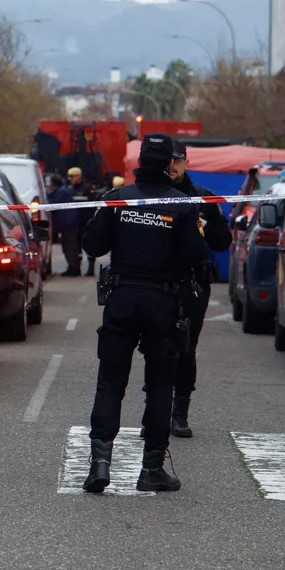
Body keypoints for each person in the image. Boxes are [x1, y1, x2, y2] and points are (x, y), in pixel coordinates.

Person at [80, 133, 209, 494]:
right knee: (159, 385)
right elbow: (198, 257)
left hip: (122, 300)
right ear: (170, 164)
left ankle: (100, 464)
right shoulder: (183, 204)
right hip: (164, 304)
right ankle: (151, 467)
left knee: (110, 382)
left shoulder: (116, 200)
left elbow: (92, 245)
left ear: (139, 161)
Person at [167, 141, 232, 438]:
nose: (172, 167)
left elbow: (222, 241)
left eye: (177, 161)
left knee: (185, 347)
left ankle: (179, 412)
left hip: (192, 283)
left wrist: (208, 220)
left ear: (185, 162)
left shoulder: (203, 197)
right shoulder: (150, 196)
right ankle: (153, 410)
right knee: (157, 346)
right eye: (167, 161)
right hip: (157, 281)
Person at [67, 167, 99, 277]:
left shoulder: (88, 188)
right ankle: (76, 268)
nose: (70, 179)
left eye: (72, 176)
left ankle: (91, 269)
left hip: (87, 222)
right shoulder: (69, 189)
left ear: (79, 176)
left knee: (89, 244)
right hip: (75, 223)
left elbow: (94, 204)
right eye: (69, 176)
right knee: (76, 246)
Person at [47, 174, 80, 276]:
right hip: (68, 222)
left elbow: (50, 203)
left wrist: (46, 193)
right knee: (70, 245)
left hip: (68, 223)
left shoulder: (61, 192)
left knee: (69, 246)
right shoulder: (61, 191)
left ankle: (73, 268)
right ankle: (73, 267)